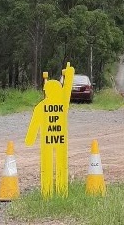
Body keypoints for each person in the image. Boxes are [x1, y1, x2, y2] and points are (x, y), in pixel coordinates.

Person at [25, 63, 74, 198]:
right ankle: (62, 192)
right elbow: (68, 88)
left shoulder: (41, 106)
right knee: (60, 165)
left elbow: (34, 125)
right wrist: (69, 73)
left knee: (47, 167)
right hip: (60, 139)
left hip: (47, 140)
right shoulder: (63, 103)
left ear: (46, 91)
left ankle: (47, 193)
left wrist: (30, 139)